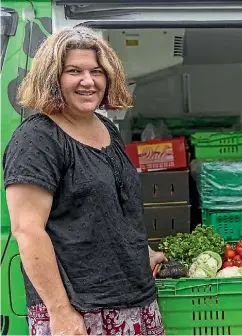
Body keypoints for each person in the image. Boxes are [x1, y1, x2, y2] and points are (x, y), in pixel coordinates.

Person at [3, 26, 167, 335]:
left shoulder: (108, 129)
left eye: (96, 71)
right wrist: (60, 311)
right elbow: (27, 230)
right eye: (74, 71)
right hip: (80, 310)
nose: (88, 81)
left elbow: (113, 212)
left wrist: (142, 254)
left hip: (135, 302)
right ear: (52, 78)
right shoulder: (37, 139)